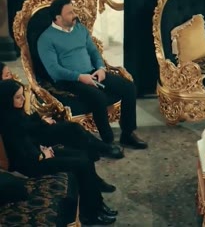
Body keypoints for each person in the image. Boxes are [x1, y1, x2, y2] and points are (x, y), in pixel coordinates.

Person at [0, 80, 119, 225]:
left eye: (22, 95)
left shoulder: (14, 113)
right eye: (18, 97)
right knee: (81, 164)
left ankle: (97, 206)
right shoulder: (8, 122)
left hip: (38, 153)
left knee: (83, 157)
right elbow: (20, 154)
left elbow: (28, 137)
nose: (23, 99)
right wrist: (42, 155)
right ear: (7, 99)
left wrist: (41, 148)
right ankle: (91, 213)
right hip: (32, 165)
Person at [37, 0, 147, 149]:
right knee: (98, 97)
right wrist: (79, 77)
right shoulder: (46, 39)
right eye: (69, 13)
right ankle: (108, 142)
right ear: (58, 18)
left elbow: (94, 52)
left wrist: (101, 68)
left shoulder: (80, 29)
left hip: (93, 73)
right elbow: (54, 71)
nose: (74, 15)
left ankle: (127, 134)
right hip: (69, 80)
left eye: (73, 11)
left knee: (129, 87)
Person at [0, 63, 124, 159]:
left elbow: (24, 120)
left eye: (10, 73)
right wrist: (42, 124)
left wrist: (41, 119)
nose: (13, 77)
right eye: (7, 75)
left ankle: (100, 150)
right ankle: (102, 150)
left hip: (34, 130)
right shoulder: (6, 102)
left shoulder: (11, 94)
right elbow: (20, 130)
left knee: (72, 128)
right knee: (71, 134)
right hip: (32, 142)